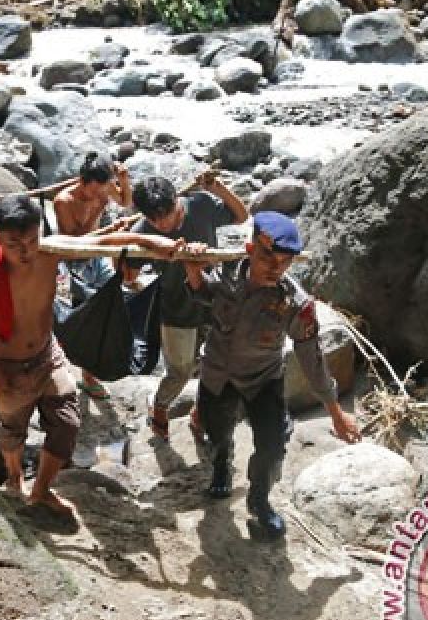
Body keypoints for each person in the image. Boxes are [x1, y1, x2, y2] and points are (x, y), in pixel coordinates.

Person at [0, 195, 182, 518]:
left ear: (41, 233)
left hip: (48, 356)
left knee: (67, 423)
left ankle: (42, 490)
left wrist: (150, 240)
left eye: (32, 240)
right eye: (14, 243)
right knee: (12, 432)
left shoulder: (51, 253)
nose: (25, 250)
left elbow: (100, 241)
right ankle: (15, 475)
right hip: (5, 366)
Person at [182, 211, 359, 537]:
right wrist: (194, 270)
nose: (275, 268)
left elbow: (312, 359)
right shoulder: (225, 273)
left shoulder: (294, 302)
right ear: (250, 249)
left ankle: (259, 499)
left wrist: (335, 412)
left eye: (285, 261)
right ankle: (222, 463)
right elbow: (204, 296)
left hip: (263, 380)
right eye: (267, 257)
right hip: (217, 374)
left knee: (273, 446)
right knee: (217, 433)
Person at [126, 174, 248, 440]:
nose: (163, 224)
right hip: (176, 307)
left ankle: (199, 413)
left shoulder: (201, 205)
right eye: (154, 219)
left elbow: (240, 215)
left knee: (217, 365)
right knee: (180, 372)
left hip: (213, 299)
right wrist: (152, 246)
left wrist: (219, 189)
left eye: (167, 215)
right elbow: (128, 276)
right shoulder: (142, 231)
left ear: (176, 201)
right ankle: (159, 406)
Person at [52, 153, 133, 398]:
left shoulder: (105, 188)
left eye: (103, 189)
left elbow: (125, 202)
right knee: (85, 316)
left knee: (112, 298)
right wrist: (109, 229)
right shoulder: (63, 201)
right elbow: (74, 241)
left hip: (97, 256)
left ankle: (95, 367)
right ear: (82, 181)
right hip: (74, 262)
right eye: (94, 190)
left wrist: (123, 180)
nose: (99, 196)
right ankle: (83, 371)